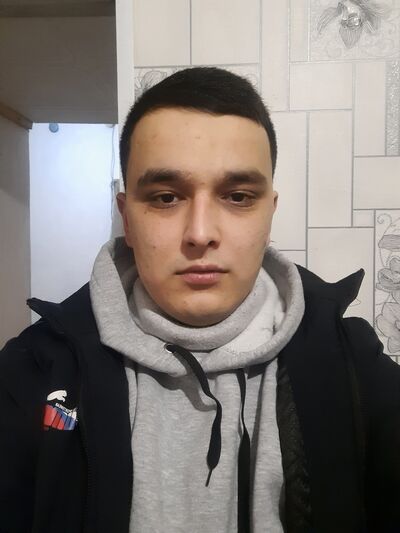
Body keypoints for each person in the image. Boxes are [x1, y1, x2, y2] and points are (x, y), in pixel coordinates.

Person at [0, 66, 399, 533]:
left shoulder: (351, 362)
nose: (200, 233)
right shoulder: (35, 370)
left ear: (269, 215)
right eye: (166, 198)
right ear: (127, 219)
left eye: (238, 196)